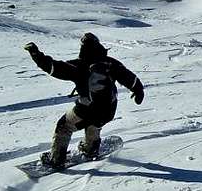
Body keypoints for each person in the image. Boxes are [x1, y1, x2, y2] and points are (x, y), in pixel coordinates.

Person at [24, 33, 145, 169]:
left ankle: (57, 159)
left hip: (86, 109)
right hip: (109, 110)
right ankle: (90, 149)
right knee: (95, 122)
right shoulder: (111, 63)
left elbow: (52, 67)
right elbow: (130, 78)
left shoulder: (78, 66)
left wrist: (35, 54)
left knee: (64, 126)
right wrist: (139, 91)